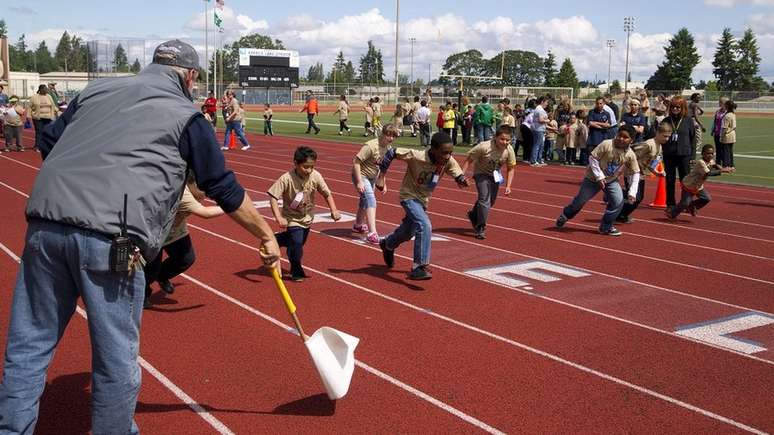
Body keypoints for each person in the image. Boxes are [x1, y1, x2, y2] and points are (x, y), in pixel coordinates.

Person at [0, 39, 281, 434]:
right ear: (191, 76)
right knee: (115, 358)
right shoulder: (188, 116)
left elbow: (48, 142)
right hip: (112, 242)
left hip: (45, 228)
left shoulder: (95, 90)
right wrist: (266, 234)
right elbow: (223, 186)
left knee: (28, 346)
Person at [377, 132, 469, 280]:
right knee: (424, 224)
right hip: (408, 196)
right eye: (444, 152)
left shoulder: (447, 160)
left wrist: (461, 179)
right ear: (433, 149)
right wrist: (381, 177)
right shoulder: (417, 155)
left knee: (408, 233)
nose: (447, 156)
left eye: (450, 152)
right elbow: (392, 152)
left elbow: (455, 170)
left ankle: (388, 244)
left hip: (423, 200)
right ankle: (419, 266)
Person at [143, 182, 225, 308]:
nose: (206, 194)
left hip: (175, 228)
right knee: (151, 269)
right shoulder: (182, 193)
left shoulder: (198, 187)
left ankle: (162, 275)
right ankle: (143, 294)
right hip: (155, 230)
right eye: (204, 189)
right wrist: (230, 206)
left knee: (186, 259)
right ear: (191, 183)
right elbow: (205, 213)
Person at [269, 146, 340, 281]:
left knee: (297, 244)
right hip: (292, 219)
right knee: (296, 245)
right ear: (295, 163)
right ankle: (296, 270)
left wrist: (334, 210)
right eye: (305, 167)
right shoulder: (286, 178)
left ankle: (278, 239)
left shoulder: (315, 176)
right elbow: (273, 196)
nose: (309, 170)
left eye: (312, 167)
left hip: (307, 218)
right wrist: (278, 217)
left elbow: (327, 193)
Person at [556, 124, 640, 236]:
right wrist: (599, 176)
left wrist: (632, 191)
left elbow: (635, 172)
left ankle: (606, 226)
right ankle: (566, 215)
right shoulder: (607, 144)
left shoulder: (630, 155)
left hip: (611, 180)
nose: (621, 139)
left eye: (625, 137)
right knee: (580, 201)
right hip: (592, 179)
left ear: (631, 140)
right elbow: (593, 158)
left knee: (618, 202)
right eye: (620, 135)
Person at [462, 125, 517, 239]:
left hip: (495, 175)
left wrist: (508, 186)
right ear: (495, 137)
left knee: (490, 202)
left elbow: (511, 168)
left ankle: (474, 214)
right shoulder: (484, 146)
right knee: (484, 199)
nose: (504, 142)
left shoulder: (509, 150)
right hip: (481, 174)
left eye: (507, 140)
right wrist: (461, 175)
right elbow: (469, 159)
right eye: (502, 139)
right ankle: (480, 227)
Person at [352, 124, 399, 244]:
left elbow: (383, 166)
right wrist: (359, 182)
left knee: (364, 201)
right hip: (362, 175)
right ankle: (372, 232)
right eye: (389, 135)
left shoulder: (388, 148)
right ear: (383, 134)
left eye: (394, 136)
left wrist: (383, 182)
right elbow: (356, 162)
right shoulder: (371, 146)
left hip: (373, 177)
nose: (391, 138)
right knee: (370, 200)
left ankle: (358, 224)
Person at [616, 122, 671, 224]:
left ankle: (621, 214)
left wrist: (657, 173)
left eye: (668, 137)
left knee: (638, 198)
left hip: (640, 174)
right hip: (632, 172)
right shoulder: (649, 144)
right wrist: (621, 170)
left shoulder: (659, 147)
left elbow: (652, 163)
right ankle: (618, 212)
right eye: (664, 136)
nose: (666, 139)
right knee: (635, 197)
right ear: (658, 133)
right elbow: (632, 153)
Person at [666, 144, 732, 219]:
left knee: (706, 198)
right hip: (689, 185)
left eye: (712, 153)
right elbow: (708, 173)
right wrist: (722, 170)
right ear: (702, 154)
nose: (710, 155)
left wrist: (720, 167)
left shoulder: (710, 161)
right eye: (707, 153)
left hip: (698, 187)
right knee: (685, 203)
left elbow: (714, 164)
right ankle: (672, 213)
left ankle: (692, 206)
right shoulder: (701, 162)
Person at [661, 96, 697, 207]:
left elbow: (693, 139)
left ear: (683, 108)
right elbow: (660, 137)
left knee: (685, 181)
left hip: (684, 155)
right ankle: (670, 203)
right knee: (670, 180)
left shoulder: (688, 121)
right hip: (669, 155)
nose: (675, 109)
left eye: (678, 107)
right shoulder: (666, 120)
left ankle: (685, 203)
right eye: (673, 107)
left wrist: (693, 156)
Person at [29, 84, 60, 152]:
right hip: (38, 118)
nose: (47, 90)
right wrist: (28, 117)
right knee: (39, 132)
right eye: (45, 89)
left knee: (47, 131)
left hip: (48, 117)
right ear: (41, 90)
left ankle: (46, 145)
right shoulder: (34, 97)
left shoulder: (48, 96)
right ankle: (37, 146)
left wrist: (57, 111)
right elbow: (29, 107)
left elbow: (52, 105)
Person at [585, 97, 611, 165]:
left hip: (603, 138)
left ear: (604, 104)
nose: (599, 105)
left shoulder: (607, 113)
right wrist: (602, 126)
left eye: (600, 103)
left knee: (601, 158)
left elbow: (608, 125)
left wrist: (596, 123)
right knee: (591, 157)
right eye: (597, 103)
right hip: (592, 138)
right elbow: (590, 123)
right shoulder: (592, 112)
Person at [711, 96, 729, 167]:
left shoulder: (728, 112)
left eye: (720, 102)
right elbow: (715, 121)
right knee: (718, 149)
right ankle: (718, 163)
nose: (719, 103)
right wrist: (712, 130)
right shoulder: (717, 111)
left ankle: (725, 164)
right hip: (717, 133)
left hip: (724, 134)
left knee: (724, 150)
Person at [719, 100, 737, 172]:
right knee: (730, 151)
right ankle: (732, 165)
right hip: (732, 134)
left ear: (727, 106)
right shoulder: (733, 114)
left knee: (725, 151)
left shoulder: (727, 116)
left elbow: (724, 127)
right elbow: (734, 126)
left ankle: (726, 166)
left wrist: (721, 136)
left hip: (727, 135)